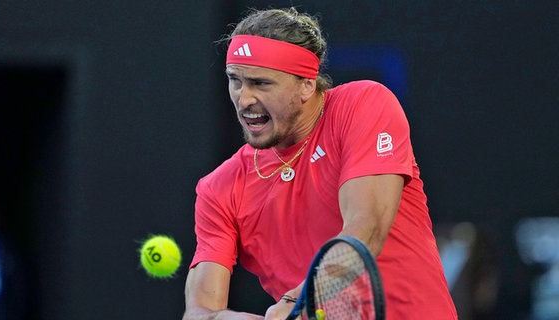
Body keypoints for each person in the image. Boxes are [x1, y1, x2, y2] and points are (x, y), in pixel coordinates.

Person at [183, 7, 457, 320]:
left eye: (261, 83)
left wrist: (296, 302)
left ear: (306, 85)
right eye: (236, 80)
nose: (244, 99)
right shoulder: (218, 188)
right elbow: (200, 313)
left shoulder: (363, 105)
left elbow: (365, 229)